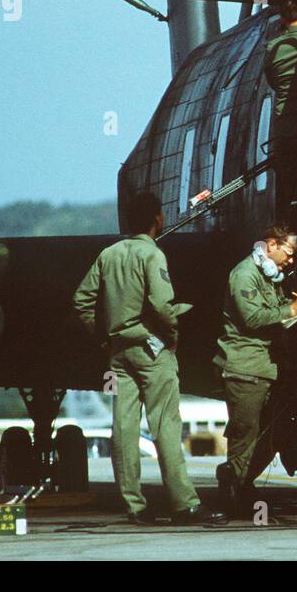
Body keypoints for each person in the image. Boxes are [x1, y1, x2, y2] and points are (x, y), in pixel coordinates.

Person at [73, 190, 226, 526]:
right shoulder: (152, 256)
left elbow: (81, 300)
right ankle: (183, 504)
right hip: (151, 350)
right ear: (159, 218)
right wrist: (171, 337)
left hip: (118, 354)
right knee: (165, 426)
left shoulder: (108, 254)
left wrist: (102, 338)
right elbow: (161, 306)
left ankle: (135, 506)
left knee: (124, 428)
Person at [214, 224, 297, 517]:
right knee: (245, 433)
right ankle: (233, 492)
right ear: (272, 244)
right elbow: (253, 317)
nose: (291, 261)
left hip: (265, 367)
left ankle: (241, 484)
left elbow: (274, 307)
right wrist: (291, 311)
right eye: (290, 253)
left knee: (269, 434)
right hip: (245, 368)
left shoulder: (269, 276)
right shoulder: (244, 274)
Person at [263, 0, 297, 218]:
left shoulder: (274, 47)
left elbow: (272, 81)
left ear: (282, 18)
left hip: (286, 125)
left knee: (290, 189)